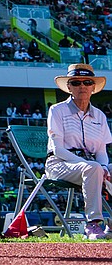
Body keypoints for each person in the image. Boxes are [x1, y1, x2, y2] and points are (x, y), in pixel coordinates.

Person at [46, 64, 112, 240]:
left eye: (87, 82)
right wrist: (91, 165)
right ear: (69, 87)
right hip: (59, 163)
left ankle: (110, 224)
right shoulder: (56, 110)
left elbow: (101, 150)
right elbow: (58, 149)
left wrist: (104, 166)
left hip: (92, 164)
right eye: (76, 82)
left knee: (101, 168)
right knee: (93, 168)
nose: (82, 86)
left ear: (93, 87)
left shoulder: (100, 116)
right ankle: (93, 225)